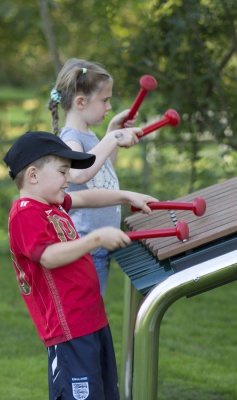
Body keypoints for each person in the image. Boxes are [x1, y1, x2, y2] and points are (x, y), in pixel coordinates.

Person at [3, 130, 157, 400]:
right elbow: (48, 256)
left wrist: (127, 196)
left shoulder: (53, 205)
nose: (68, 179)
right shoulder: (25, 213)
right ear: (33, 175)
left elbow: (87, 198)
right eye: (63, 172)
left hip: (91, 320)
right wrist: (96, 239)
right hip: (68, 331)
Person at [48, 57, 143, 296]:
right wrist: (112, 139)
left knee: (93, 310)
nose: (109, 106)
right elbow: (79, 173)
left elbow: (102, 169)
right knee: (87, 314)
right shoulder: (71, 138)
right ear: (80, 102)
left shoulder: (89, 134)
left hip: (99, 245)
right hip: (86, 246)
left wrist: (112, 131)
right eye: (105, 100)